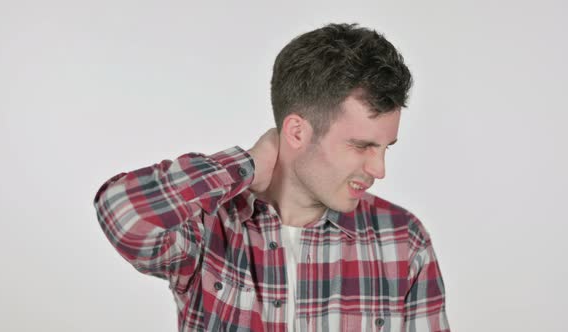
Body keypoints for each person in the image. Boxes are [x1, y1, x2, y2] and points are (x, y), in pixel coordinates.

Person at [93, 23, 450, 332]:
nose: (379, 170)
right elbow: (122, 213)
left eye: (386, 147)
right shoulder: (208, 225)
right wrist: (245, 165)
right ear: (297, 132)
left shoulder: (403, 239)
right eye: (361, 146)